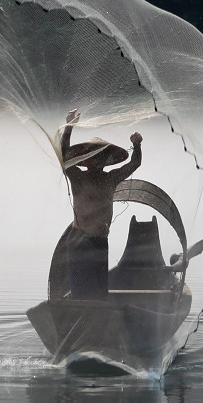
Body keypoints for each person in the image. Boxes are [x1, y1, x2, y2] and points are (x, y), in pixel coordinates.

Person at [60, 109, 142, 299]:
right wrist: (69, 126)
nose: (96, 160)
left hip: (100, 241)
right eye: (92, 156)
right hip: (80, 240)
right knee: (82, 294)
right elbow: (63, 156)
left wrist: (136, 145)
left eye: (101, 156)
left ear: (107, 160)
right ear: (85, 160)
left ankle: (99, 321)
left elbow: (134, 163)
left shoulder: (111, 178)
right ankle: (80, 318)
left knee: (99, 293)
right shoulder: (78, 177)